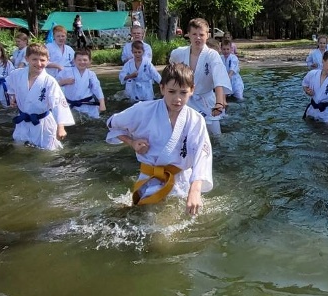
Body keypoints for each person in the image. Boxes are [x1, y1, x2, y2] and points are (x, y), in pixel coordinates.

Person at [106, 64, 213, 216]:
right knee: (149, 222)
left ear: (192, 90)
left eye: (183, 92)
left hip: (181, 182)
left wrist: (195, 190)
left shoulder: (195, 120)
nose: (177, 99)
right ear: (162, 88)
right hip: (150, 179)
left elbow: (202, 156)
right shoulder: (143, 110)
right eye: (171, 91)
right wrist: (132, 142)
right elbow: (112, 124)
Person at [5, 42, 75, 150]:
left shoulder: (49, 81)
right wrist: (13, 97)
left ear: (48, 60)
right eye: (34, 59)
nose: (39, 63)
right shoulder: (16, 74)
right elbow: (11, 86)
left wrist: (61, 127)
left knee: (47, 153)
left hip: (43, 123)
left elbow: (57, 104)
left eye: (42, 60)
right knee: (19, 149)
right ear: (27, 59)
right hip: (23, 121)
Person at [168, 18, 231, 135]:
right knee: (183, 134)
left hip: (206, 101)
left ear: (207, 35)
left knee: (216, 135)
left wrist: (219, 103)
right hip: (185, 100)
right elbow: (170, 75)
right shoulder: (178, 53)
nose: (198, 38)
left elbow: (219, 80)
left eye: (201, 34)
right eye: (194, 34)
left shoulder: (212, 55)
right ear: (188, 35)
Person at [57, 49, 106, 119]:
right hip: (71, 104)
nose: (82, 62)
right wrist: (64, 82)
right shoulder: (66, 71)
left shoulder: (91, 74)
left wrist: (102, 103)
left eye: (85, 60)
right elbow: (54, 84)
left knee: (93, 122)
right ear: (74, 61)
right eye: (79, 60)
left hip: (88, 104)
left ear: (90, 61)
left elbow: (97, 89)